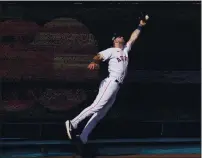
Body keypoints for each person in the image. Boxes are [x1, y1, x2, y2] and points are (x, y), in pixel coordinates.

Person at [65, 18, 147, 144]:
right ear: (114, 40)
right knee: (97, 106)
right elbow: (99, 56)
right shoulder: (111, 50)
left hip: (117, 86)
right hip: (110, 82)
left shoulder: (125, 50)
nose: (121, 37)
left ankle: (83, 137)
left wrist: (140, 26)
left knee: (101, 114)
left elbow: (133, 38)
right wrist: (94, 61)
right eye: (119, 36)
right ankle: (72, 123)